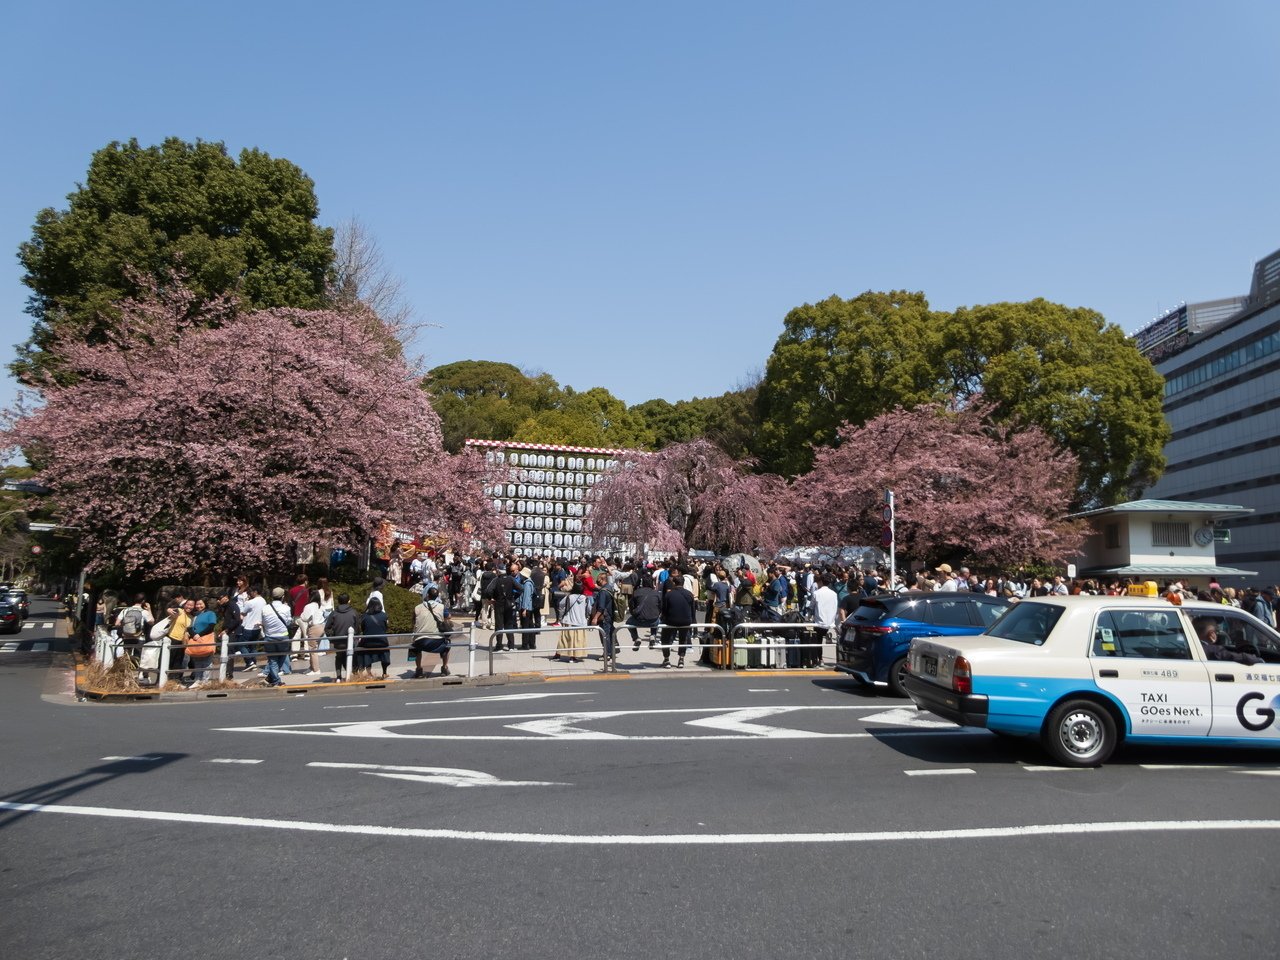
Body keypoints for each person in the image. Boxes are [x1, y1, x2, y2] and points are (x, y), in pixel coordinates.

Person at [659, 568, 697, 668]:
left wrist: (663, 618)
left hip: (671, 620)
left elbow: (664, 609)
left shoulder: (669, 594)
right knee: (683, 639)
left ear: (674, 583)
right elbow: (693, 610)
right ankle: (681, 659)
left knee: (665, 639)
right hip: (686, 620)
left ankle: (666, 659)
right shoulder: (689, 594)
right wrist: (693, 622)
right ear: (683, 583)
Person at [411, 586, 452, 678]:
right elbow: (448, 616)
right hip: (437, 641)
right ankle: (444, 668)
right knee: (447, 645)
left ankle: (419, 669)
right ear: (437, 596)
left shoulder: (417, 607)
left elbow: (413, 621)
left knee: (416, 648)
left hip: (420, 641)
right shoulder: (441, 607)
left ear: (427, 595)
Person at [1192, 617, 1262, 665]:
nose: (1218, 633)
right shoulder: (1214, 651)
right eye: (1217, 631)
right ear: (1212, 635)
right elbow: (1234, 657)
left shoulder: (1189, 648)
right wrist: (1258, 660)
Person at [260, 587, 293, 687]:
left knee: (272, 659)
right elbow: (288, 622)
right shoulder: (286, 608)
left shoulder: (265, 608)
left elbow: (263, 622)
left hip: (269, 636)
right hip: (283, 636)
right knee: (282, 657)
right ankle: (275, 680)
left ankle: (273, 679)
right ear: (282, 597)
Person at [324, 593, 360, 681]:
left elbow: (327, 628)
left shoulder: (334, 613)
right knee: (354, 657)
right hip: (351, 641)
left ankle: (338, 677)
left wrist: (332, 638)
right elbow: (357, 628)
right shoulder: (354, 612)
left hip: (338, 641)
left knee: (339, 657)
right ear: (349, 601)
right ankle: (355, 675)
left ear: (338, 601)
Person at [554, 579, 589, 663]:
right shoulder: (585, 598)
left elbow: (561, 605)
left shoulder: (569, 597)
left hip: (569, 620)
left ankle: (558, 654)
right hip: (580, 622)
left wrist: (561, 616)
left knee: (564, 639)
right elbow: (589, 609)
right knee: (577, 640)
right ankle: (573, 657)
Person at [186, 598, 219, 687]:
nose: (198, 606)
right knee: (197, 660)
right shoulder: (195, 615)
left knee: (207, 661)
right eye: (197, 604)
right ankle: (198, 680)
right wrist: (194, 635)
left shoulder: (210, 613)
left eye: (201, 604)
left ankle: (205, 681)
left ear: (205, 604)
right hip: (196, 639)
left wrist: (199, 634)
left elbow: (211, 626)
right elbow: (189, 628)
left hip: (206, 638)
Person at [358, 597, 392, 678]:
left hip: (368, 642)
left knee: (365, 653)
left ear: (369, 605)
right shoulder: (384, 615)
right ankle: (384, 672)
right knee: (384, 653)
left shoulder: (364, 616)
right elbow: (386, 628)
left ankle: (368, 673)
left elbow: (363, 629)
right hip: (381, 642)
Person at [113, 594, 154, 663]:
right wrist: (149, 610)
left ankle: (126, 668)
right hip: (139, 637)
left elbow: (117, 624)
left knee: (126, 656)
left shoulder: (125, 610)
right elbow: (152, 622)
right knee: (137, 657)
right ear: (143, 601)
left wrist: (125, 626)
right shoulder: (143, 612)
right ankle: (136, 668)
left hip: (127, 636)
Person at [626, 573, 661, 651]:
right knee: (657, 619)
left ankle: (636, 638)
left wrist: (634, 614)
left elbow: (631, 606)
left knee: (628, 623)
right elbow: (660, 607)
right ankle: (653, 635)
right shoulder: (656, 593)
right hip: (653, 621)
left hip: (638, 620)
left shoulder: (636, 592)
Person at [297, 588, 327, 675]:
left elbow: (304, 618)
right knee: (313, 648)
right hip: (322, 627)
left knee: (312, 650)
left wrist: (302, 614)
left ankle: (316, 670)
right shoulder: (320, 605)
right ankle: (311, 667)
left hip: (314, 628)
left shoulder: (309, 606)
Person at [592, 571, 617, 666]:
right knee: (609, 634)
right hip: (610, 615)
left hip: (604, 616)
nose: (597, 581)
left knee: (604, 635)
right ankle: (611, 652)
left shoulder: (603, 591)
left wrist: (595, 617)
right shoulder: (609, 588)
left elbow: (601, 607)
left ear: (602, 579)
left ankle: (607, 654)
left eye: (598, 579)